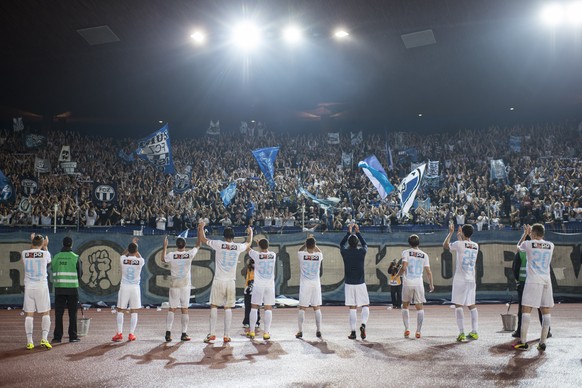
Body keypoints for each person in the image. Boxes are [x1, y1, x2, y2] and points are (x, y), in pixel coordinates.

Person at [199, 221, 253, 343]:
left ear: (224, 236)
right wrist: (251, 232)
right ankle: (226, 335)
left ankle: (212, 333)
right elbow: (249, 243)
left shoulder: (219, 244)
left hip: (219, 279)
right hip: (230, 281)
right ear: (233, 237)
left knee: (214, 305)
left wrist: (201, 227)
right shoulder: (238, 247)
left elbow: (203, 239)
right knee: (228, 307)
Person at [513, 224, 554, 352]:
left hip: (532, 281)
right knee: (545, 311)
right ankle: (542, 343)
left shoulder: (528, 244)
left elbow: (517, 248)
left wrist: (525, 234)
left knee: (526, 309)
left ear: (534, 233)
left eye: (531, 234)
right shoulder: (551, 245)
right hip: (547, 281)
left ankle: (523, 342)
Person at [443, 223, 480, 342]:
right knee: (472, 306)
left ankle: (462, 333)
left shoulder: (459, 244)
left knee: (459, 306)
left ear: (462, 232)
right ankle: (475, 331)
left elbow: (445, 246)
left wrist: (450, 233)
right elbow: (465, 246)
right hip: (471, 279)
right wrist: (461, 237)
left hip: (460, 279)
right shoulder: (475, 245)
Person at [162, 234, 200, 342]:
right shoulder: (189, 254)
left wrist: (165, 246)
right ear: (185, 245)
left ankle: (168, 333)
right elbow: (198, 245)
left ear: (176, 245)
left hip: (174, 285)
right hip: (185, 286)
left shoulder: (172, 254)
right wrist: (199, 231)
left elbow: (163, 259)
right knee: (184, 309)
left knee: (172, 309)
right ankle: (184, 334)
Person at [396, 234, 434, 339]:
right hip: (418, 283)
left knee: (405, 306)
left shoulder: (406, 252)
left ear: (409, 243)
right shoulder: (424, 255)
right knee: (419, 307)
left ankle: (407, 329)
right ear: (419, 243)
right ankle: (418, 331)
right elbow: (428, 272)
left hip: (408, 282)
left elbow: (404, 267)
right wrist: (431, 284)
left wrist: (397, 276)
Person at [340, 223, 370, 340]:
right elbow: (365, 245)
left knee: (352, 307)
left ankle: (353, 332)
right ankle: (363, 324)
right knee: (365, 305)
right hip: (360, 283)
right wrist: (358, 233)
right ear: (357, 243)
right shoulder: (362, 252)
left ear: (349, 243)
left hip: (349, 283)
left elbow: (341, 244)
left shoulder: (345, 252)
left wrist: (348, 232)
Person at [22, 233, 52, 350]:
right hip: (41, 287)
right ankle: (44, 338)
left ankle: (30, 342)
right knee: (46, 312)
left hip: (29, 287)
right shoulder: (45, 254)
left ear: (32, 242)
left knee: (29, 314)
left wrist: (34, 243)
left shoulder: (24, 253)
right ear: (42, 243)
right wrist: (45, 246)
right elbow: (48, 260)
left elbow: (31, 253)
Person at [112, 237, 144, 342]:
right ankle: (131, 334)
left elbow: (123, 253)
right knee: (134, 311)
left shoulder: (122, 259)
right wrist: (135, 249)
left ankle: (119, 333)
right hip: (135, 288)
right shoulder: (140, 261)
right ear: (136, 251)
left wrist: (131, 244)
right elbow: (138, 256)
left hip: (124, 287)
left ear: (128, 250)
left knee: (120, 309)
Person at [52, 236, 81, 343]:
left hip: (59, 289)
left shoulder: (56, 257)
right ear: (71, 244)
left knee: (58, 314)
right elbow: (80, 274)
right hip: (72, 289)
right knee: (72, 314)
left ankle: (57, 337)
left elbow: (52, 269)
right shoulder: (75, 257)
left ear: (63, 244)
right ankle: (72, 336)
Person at [246, 238, 277, 340]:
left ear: (259, 246)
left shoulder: (256, 255)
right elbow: (265, 249)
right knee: (268, 308)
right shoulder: (273, 255)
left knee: (254, 307)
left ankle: (252, 331)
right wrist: (261, 243)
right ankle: (266, 332)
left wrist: (250, 236)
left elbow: (247, 247)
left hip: (258, 285)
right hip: (269, 285)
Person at [296, 235, 323, 339]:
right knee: (316, 307)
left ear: (306, 245)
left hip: (305, 284)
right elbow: (319, 251)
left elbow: (299, 250)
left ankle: (300, 331)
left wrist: (305, 244)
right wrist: (314, 244)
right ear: (314, 245)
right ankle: (319, 330)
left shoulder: (302, 255)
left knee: (302, 307)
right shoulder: (318, 256)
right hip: (315, 284)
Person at [241, 257, 260, 334]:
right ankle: (247, 321)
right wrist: (247, 265)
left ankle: (256, 321)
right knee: (248, 306)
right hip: (248, 290)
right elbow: (242, 272)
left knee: (256, 307)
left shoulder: (259, 269)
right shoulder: (248, 269)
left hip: (257, 289)